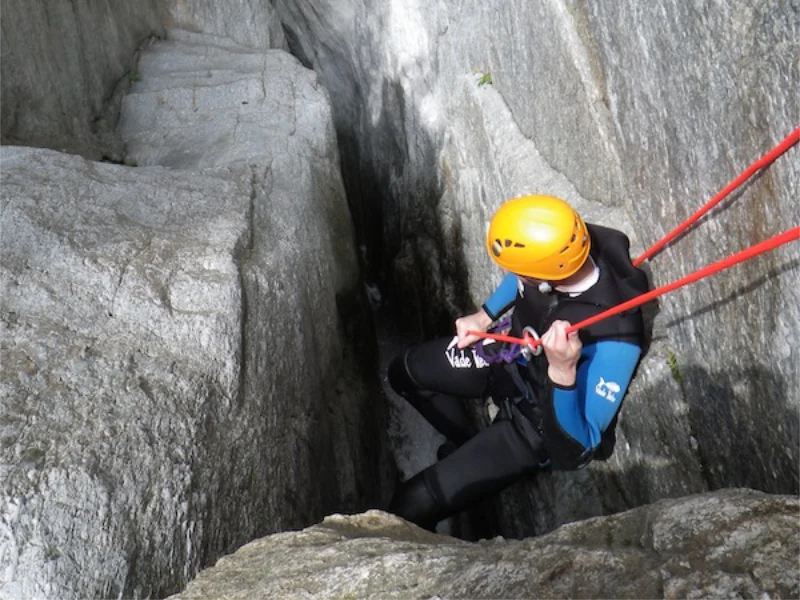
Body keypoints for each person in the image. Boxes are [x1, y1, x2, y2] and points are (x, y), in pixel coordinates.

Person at [387, 194, 650, 531]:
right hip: (508, 359)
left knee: (409, 507)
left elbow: (576, 451)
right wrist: (485, 316)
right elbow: (523, 277)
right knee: (404, 372)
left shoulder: (615, 338)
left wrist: (563, 372)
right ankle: (466, 443)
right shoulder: (568, 248)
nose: (513, 276)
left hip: (534, 426)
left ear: (544, 279)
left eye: (521, 273)